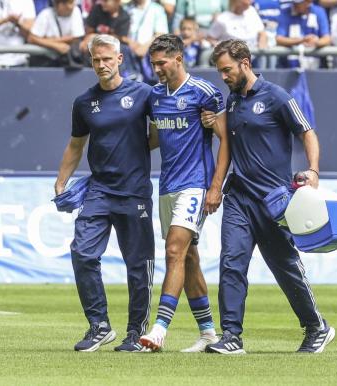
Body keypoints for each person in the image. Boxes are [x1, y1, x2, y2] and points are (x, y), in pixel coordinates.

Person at [202, 39, 334, 355]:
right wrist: (217, 186)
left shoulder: (277, 97)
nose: (223, 77)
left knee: (285, 267)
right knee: (231, 263)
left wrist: (313, 170)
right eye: (220, 71)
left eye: (227, 70)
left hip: (274, 201)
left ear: (245, 62)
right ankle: (231, 335)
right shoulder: (231, 102)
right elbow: (228, 147)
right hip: (239, 198)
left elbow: (307, 132)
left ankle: (317, 326)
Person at [54, 34, 155, 353]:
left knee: (138, 265)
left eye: (106, 59)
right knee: (82, 252)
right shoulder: (84, 102)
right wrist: (61, 181)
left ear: (120, 58)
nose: (101, 65)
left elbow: (162, 133)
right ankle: (99, 326)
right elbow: (75, 144)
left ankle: (135, 333)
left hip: (134, 191)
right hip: (99, 190)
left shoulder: (144, 94)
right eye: (96, 60)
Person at [139, 34, 230, 352]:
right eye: (153, 64)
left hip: (195, 184)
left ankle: (159, 330)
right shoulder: (154, 96)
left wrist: (215, 186)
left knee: (174, 252)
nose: (157, 69)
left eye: (161, 63)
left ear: (178, 59)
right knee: (189, 258)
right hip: (167, 186)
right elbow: (153, 139)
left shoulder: (204, 92)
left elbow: (225, 140)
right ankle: (208, 333)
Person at [207, 0, 268, 65]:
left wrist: (261, 47)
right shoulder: (222, 19)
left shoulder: (251, 11)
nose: (250, 1)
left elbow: (262, 33)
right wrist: (222, 49)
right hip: (233, 62)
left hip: (255, 59)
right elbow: (210, 38)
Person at [276, 0, 331, 69]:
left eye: (298, 3)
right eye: (294, 3)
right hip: (289, 67)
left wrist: (316, 42)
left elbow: (327, 38)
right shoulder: (285, 12)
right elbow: (279, 39)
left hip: (316, 66)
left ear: (308, 2)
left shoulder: (319, 11)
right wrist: (301, 40)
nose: (295, 5)